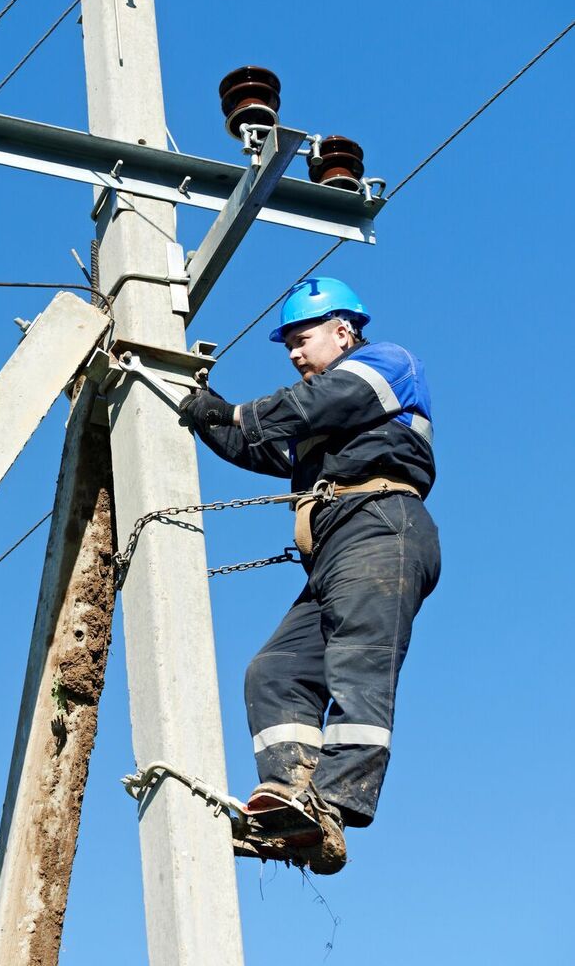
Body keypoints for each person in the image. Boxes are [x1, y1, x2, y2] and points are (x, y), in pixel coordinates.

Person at [177, 276, 441, 874]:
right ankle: (290, 804)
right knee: (275, 671)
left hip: (381, 526)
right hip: (338, 548)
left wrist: (236, 410)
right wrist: (196, 406)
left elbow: (306, 406)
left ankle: (335, 801)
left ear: (344, 331)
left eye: (304, 338)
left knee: (358, 658)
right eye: (288, 344)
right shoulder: (321, 414)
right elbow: (259, 445)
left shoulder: (386, 365)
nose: (295, 352)